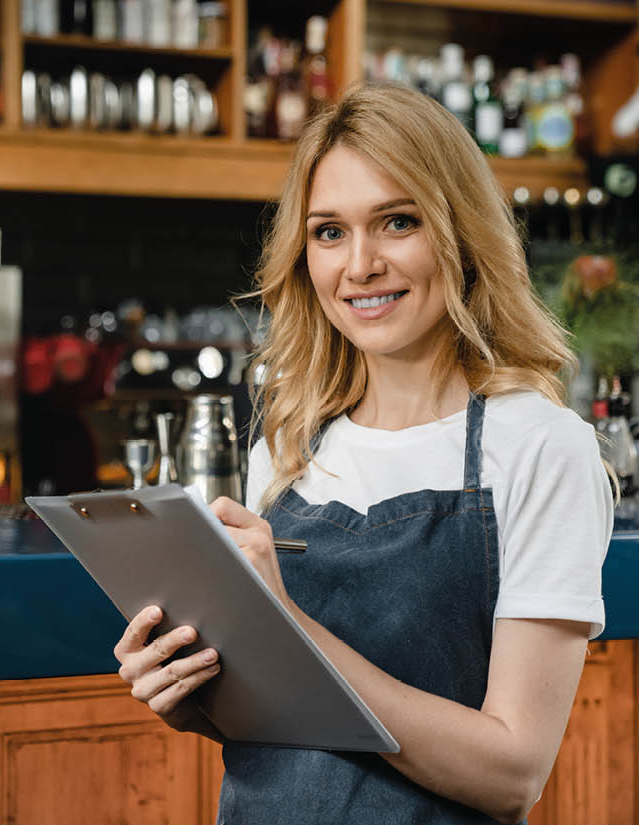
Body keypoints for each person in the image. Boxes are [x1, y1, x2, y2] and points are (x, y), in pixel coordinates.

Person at [113, 83, 614, 825]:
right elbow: (283, 726)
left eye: (397, 222)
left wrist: (293, 631)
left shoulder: (541, 447)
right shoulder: (287, 444)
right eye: (329, 232)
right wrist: (191, 695)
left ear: (462, 233)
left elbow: (513, 771)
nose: (360, 264)